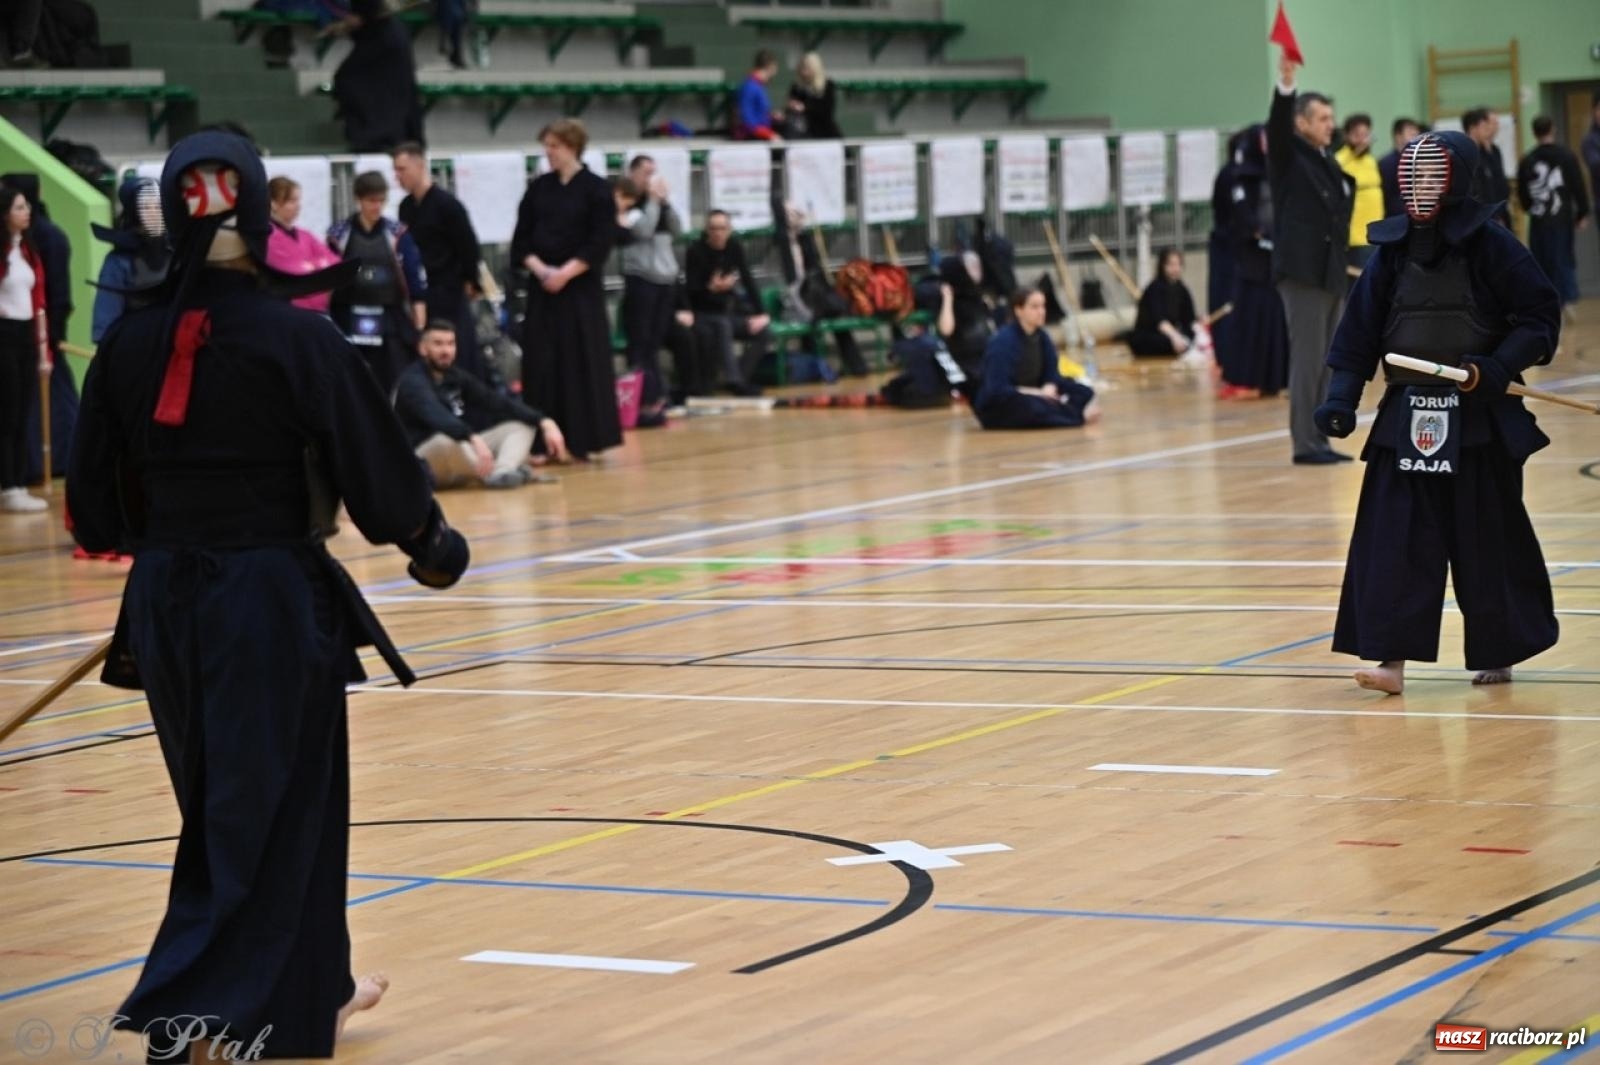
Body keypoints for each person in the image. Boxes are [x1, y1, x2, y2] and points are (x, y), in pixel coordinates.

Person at [67, 129, 470, 1062]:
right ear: (257, 215)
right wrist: (430, 545)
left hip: (168, 604)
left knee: (226, 803)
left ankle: (308, 993)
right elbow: (376, 472)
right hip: (268, 601)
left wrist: (172, 532)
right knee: (280, 810)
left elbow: (92, 513)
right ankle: (200, 1016)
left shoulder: (125, 344)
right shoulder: (301, 339)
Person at [1312, 130, 1560, 695]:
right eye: (1414, 177)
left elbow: (1539, 319)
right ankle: (1389, 662)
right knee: (1394, 537)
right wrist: (1340, 400)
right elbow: (1359, 334)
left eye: (1433, 177)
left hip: (1478, 417)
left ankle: (1499, 650)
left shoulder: (1496, 248)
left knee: (1487, 537)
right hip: (1409, 415)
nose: (1422, 187)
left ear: (1458, 182)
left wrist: (1497, 367)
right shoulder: (1391, 256)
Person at [510, 118, 621, 461]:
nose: (548, 152)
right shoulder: (539, 187)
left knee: (580, 360)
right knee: (541, 361)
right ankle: (542, 441)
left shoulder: (597, 189)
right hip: (544, 287)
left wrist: (566, 273)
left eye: (554, 146)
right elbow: (522, 238)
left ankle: (582, 440)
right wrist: (542, 269)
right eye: (546, 146)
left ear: (572, 146)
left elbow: (600, 241)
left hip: (580, 289)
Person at [1268, 50, 1352, 465]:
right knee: (1307, 362)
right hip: (1302, 274)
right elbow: (1277, 128)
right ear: (1301, 122)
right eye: (1322, 119)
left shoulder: (1327, 159)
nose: (1330, 125)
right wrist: (1286, 87)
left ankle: (1320, 438)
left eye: (1331, 118)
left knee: (1328, 363)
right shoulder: (1288, 156)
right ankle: (1304, 443)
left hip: (1331, 272)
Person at [395, 319, 566, 488]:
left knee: (522, 426)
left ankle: (502, 473)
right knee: (447, 440)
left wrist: (543, 421)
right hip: (422, 457)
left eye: (450, 344)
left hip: (461, 449)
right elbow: (437, 416)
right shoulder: (412, 382)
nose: (446, 350)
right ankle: (499, 473)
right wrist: (472, 437)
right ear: (423, 348)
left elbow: (496, 401)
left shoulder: (455, 376)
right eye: (438, 344)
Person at [327, 169, 428, 396]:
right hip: (348, 314)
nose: (376, 206)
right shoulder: (338, 234)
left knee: (394, 377)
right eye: (371, 200)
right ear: (358, 199)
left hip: (389, 314)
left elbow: (413, 271)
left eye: (381, 201)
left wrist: (419, 309)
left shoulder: (397, 233)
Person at [3, 171, 75, 488]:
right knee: (15, 409)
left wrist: (50, 337)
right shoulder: (14, 246)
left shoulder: (44, 241)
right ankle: (18, 476)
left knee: (38, 407)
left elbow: (50, 294)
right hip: (12, 337)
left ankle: (41, 466)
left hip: (38, 336)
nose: (25, 212)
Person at [395, 141, 486, 380]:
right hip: (421, 292)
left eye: (402, 169)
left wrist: (471, 281)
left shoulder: (447, 205)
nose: (398, 176)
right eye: (396, 170)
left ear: (420, 166)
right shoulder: (405, 208)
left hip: (448, 288)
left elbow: (468, 246)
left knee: (456, 349)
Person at [1219, 124, 1290, 400]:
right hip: (1252, 261)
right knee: (1252, 318)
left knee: (1278, 319)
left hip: (1278, 261)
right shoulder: (1240, 178)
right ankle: (1248, 376)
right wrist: (1256, 232)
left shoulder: (1281, 174)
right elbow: (1240, 214)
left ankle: (1279, 377)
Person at [617, 154, 683, 428]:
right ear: (633, 174)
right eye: (646, 172)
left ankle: (657, 397)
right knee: (640, 342)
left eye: (654, 172)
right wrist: (654, 202)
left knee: (654, 342)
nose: (651, 178)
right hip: (641, 278)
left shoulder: (659, 205)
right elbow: (641, 231)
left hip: (664, 279)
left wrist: (666, 204)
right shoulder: (629, 204)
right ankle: (640, 400)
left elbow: (678, 230)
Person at [973, 288, 1098, 430]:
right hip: (1002, 404)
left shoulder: (1042, 337)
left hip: (1037, 392)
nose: (1041, 311)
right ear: (1019, 310)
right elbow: (998, 389)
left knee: (1084, 391)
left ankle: (1068, 412)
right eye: (1034, 307)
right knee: (1032, 407)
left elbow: (1052, 372)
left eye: (1043, 306)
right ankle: (1077, 416)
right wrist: (1039, 393)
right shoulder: (1003, 341)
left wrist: (1050, 386)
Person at [685, 209, 770, 395]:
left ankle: (740, 376)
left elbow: (748, 280)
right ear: (707, 230)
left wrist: (761, 313)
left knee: (763, 331)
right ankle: (735, 382)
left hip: (728, 311)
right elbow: (691, 291)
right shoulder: (695, 251)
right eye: (714, 228)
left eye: (722, 228)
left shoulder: (734, 247)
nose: (718, 233)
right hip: (703, 313)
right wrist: (712, 288)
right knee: (723, 325)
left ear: (729, 230)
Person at [0, 183, 46, 513]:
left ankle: (17, 482)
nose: (26, 212)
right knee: (8, 412)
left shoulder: (27, 251)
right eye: (18, 207)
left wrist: (44, 351)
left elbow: (38, 300)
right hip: (4, 336)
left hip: (25, 336)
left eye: (27, 206)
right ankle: (10, 485)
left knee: (23, 411)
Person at [1516, 115, 1589, 320]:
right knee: (1563, 258)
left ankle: (1549, 302)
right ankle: (1565, 299)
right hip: (1562, 217)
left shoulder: (1528, 160)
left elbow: (1522, 193)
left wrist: (1530, 208)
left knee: (1541, 260)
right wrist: (1582, 212)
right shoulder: (1566, 156)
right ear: (1553, 129)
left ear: (1534, 132)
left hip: (1539, 219)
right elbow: (1578, 185)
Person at [329, 0, 423, 152]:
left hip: (380, 131)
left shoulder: (385, 35)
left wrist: (361, 17)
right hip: (396, 128)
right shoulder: (389, 32)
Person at [91, 176, 168, 343]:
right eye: (146, 207)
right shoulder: (119, 262)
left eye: (158, 206)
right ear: (135, 212)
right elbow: (105, 323)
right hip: (135, 349)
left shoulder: (177, 253)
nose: (154, 213)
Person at [266, 176, 341, 314]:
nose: (298, 205)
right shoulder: (269, 236)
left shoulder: (306, 235)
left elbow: (335, 263)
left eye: (298, 200)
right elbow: (293, 271)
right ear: (274, 204)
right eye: (291, 201)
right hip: (288, 312)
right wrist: (319, 266)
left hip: (319, 311)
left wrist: (311, 265)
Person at [1123, 248, 1197, 356]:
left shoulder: (1182, 289)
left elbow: (1189, 319)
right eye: (1171, 265)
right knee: (1165, 342)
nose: (1175, 269)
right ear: (1162, 266)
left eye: (1178, 265)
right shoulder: (1154, 288)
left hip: (1172, 333)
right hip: (1151, 335)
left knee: (1191, 337)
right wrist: (1175, 337)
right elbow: (1159, 321)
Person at [1335, 113, 1382, 272]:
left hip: (1376, 231)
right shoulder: (1340, 160)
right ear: (1347, 136)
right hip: (1357, 235)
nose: (1362, 140)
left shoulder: (1370, 160)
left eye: (1365, 135)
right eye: (1357, 135)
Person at [1462, 107, 1511, 228]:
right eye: (1488, 125)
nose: (1493, 128)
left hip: (1498, 211)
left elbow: (1500, 184)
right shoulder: (1465, 152)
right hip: (1480, 215)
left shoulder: (1493, 150)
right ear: (1474, 128)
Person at [787, 52, 841, 140]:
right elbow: (790, 107)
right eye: (802, 68)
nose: (803, 72)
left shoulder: (827, 86)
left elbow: (826, 111)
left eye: (806, 68)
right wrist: (791, 107)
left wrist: (805, 108)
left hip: (824, 132)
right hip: (801, 131)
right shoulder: (797, 87)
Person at [733, 49, 782, 141]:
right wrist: (769, 135)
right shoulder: (750, 87)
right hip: (752, 141)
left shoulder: (758, 86)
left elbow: (757, 114)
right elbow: (747, 121)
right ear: (770, 66)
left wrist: (771, 116)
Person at [1378, 117, 1422, 219]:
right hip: (1394, 218)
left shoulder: (1420, 161)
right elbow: (1386, 196)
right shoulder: (1386, 163)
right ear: (1398, 136)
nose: (1416, 137)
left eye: (1417, 133)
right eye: (1411, 133)